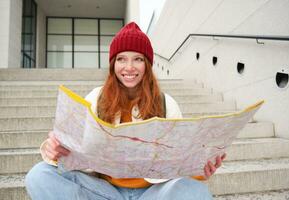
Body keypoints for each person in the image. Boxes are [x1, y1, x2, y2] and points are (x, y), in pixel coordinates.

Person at [25, 22, 225, 200]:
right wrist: (56, 149)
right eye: (122, 59)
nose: (129, 67)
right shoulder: (96, 98)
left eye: (137, 59)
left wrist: (200, 170)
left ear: (147, 64)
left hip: (154, 193)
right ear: (113, 64)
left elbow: (180, 162)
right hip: (104, 191)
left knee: (193, 191)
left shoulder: (167, 103)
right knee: (39, 175)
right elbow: (73, 148)